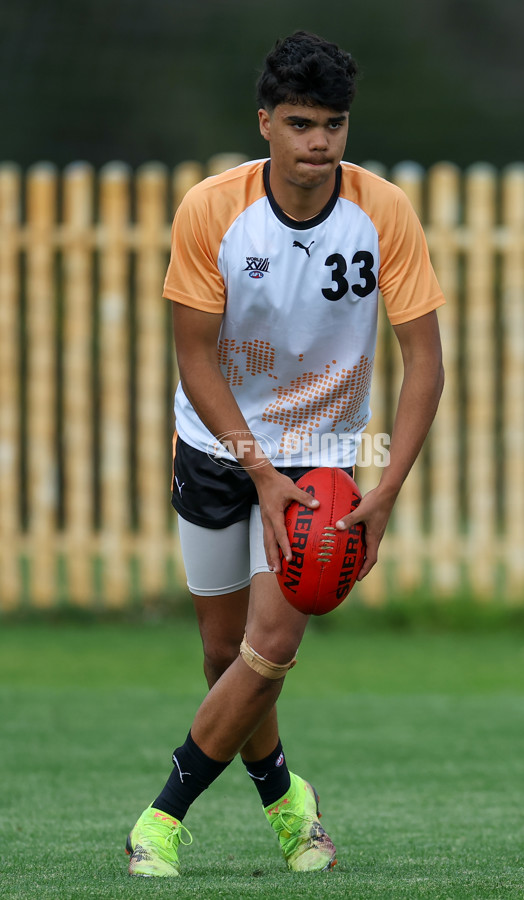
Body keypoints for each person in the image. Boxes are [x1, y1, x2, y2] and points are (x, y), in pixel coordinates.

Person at [125, 30, 445, 878]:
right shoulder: (211, 210)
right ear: (265, 121)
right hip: (216, 445)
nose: (319, 142)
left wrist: (385, 490)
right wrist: (257, 471)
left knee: (270, 646)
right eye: (301, 123)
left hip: (321, 454)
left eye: (333, 124)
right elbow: (194, 357)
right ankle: (287, 802)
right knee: (224, 659)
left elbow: (426, 360)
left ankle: (160, 818)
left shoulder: (383, 212)